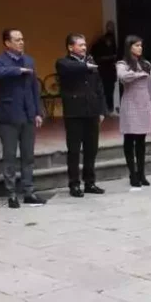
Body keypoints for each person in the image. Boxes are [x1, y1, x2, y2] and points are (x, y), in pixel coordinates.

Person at [0, 28, 46, 209]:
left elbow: (33, 90)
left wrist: (38, 112)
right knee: (10, 156)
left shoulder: (29, 60)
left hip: (28, 114)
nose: (21, 42)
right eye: (17, 40)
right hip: (8, 115)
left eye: (22, 39)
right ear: (7, 43)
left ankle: (29, 191)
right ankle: (11, 193)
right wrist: (18, 70)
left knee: (28, 156)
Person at [56, 33, 107, 198]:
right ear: (71, 47)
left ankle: (90, 182)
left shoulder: (90, 62)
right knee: (74, 150)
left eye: (85, 45)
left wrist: (101, 110)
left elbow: (99, 88)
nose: (84, 48)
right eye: (80, 45)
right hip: (74, 113)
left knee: (91, 149)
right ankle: (74, 184)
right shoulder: (64, 63)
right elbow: (71, 69)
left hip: (91, 111)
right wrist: (88, 66)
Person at [116, 35, 151, 188]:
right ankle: (132, 173)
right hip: (130, 104)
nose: (140, 48)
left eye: (141, 45)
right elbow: (122, 77)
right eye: (136, 45)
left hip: (144, 103)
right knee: (129, 139)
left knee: (141, 141)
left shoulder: (146, 64)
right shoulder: (123, 64)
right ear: (129, 47)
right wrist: (137, 74)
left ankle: (142, 173)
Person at [90, 22, 119, 115]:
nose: (111, 28)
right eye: (109, 26)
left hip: (111, 71)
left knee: (110, 90)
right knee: (104, 90)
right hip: (103, 70)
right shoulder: (100, 42)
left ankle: (110, 109)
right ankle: (105, 109)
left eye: (112, 27)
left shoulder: (114, 40)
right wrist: (109, 58)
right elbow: (95, 55)